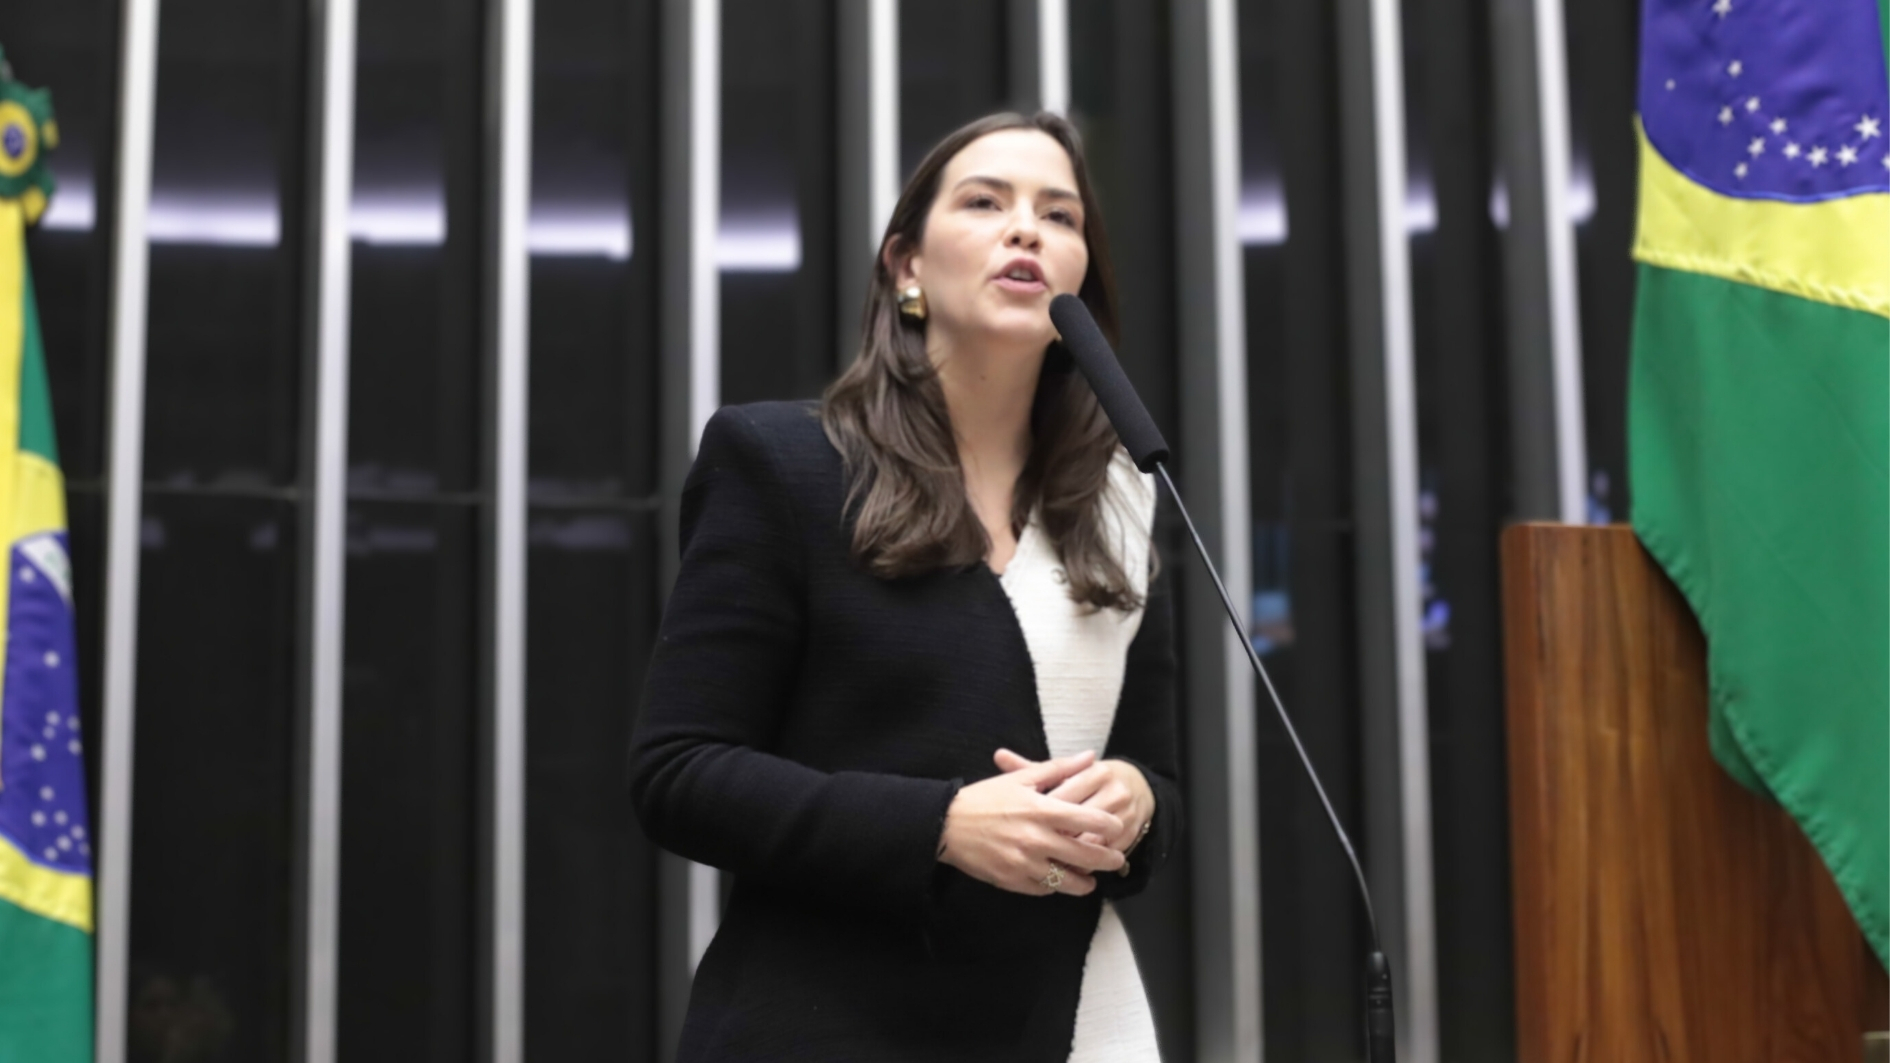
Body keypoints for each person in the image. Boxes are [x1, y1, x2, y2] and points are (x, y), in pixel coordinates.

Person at [629, 111, 1182, 1063]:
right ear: (905, 267)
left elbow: (1156, 775)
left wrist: (1136, 801)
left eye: (1060, 216)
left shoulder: (1127, 500)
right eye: (984, 201)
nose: (1027, 230)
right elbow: (679, 771)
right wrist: (939, 825)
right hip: (829, 1023)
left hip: (1077, 1019)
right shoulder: (785, 463)